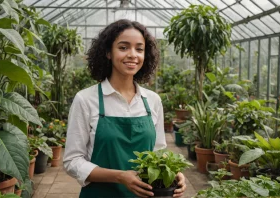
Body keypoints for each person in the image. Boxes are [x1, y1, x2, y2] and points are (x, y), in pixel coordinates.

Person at [63, 19, 187, 198]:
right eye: (123, 47)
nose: (132, 55)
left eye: (139, 49)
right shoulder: (86, 99)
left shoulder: (152, 100)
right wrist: (120, 177)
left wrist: (173, 173)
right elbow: (72, 161)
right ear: (108, 53)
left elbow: (159, 151)